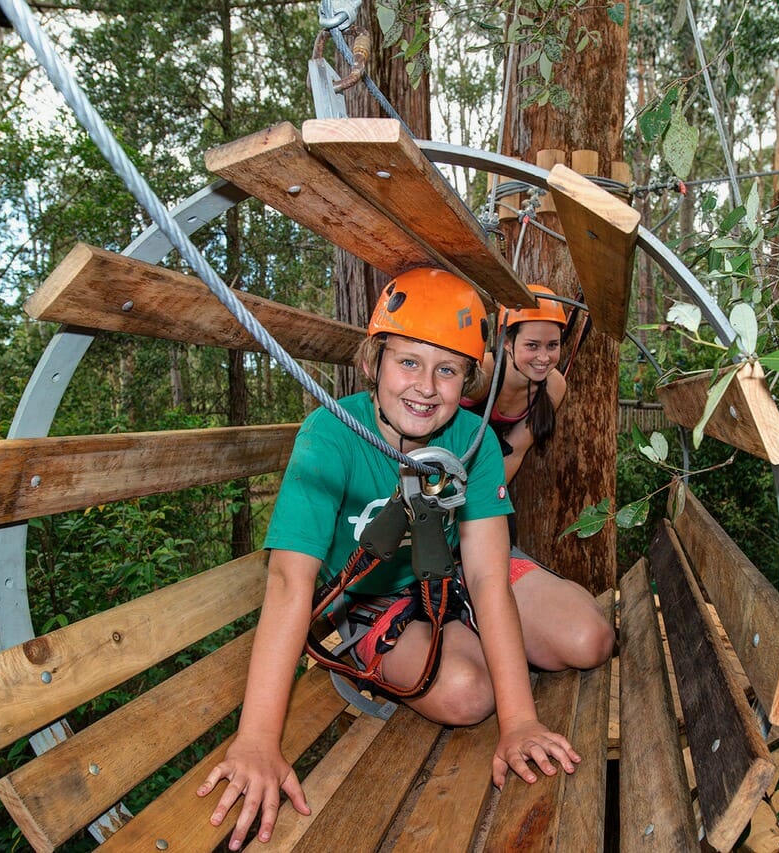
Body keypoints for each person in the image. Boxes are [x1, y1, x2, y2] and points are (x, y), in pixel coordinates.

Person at [197, 268, 613, 851]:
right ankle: (442, 649)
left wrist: (520, 722)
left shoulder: (473, 439)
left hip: (460, 574)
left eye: (447, 369)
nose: (426, 386)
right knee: (468, 694)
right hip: (375, 594)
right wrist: (259, 738)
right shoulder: (331, 433)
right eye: (408, 363)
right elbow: (291, 585)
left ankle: (482, 639)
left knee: (589, 639)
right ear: (374, 362)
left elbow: (490, 575)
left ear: (469, 379)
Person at [462, 283, 569, 484]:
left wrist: (487, 500)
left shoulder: (555, 385)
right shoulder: (484, 372)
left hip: (482, 471)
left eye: (553, 345)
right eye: (532, 345)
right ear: (507, 342)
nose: (544, 358)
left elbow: (514, 452)